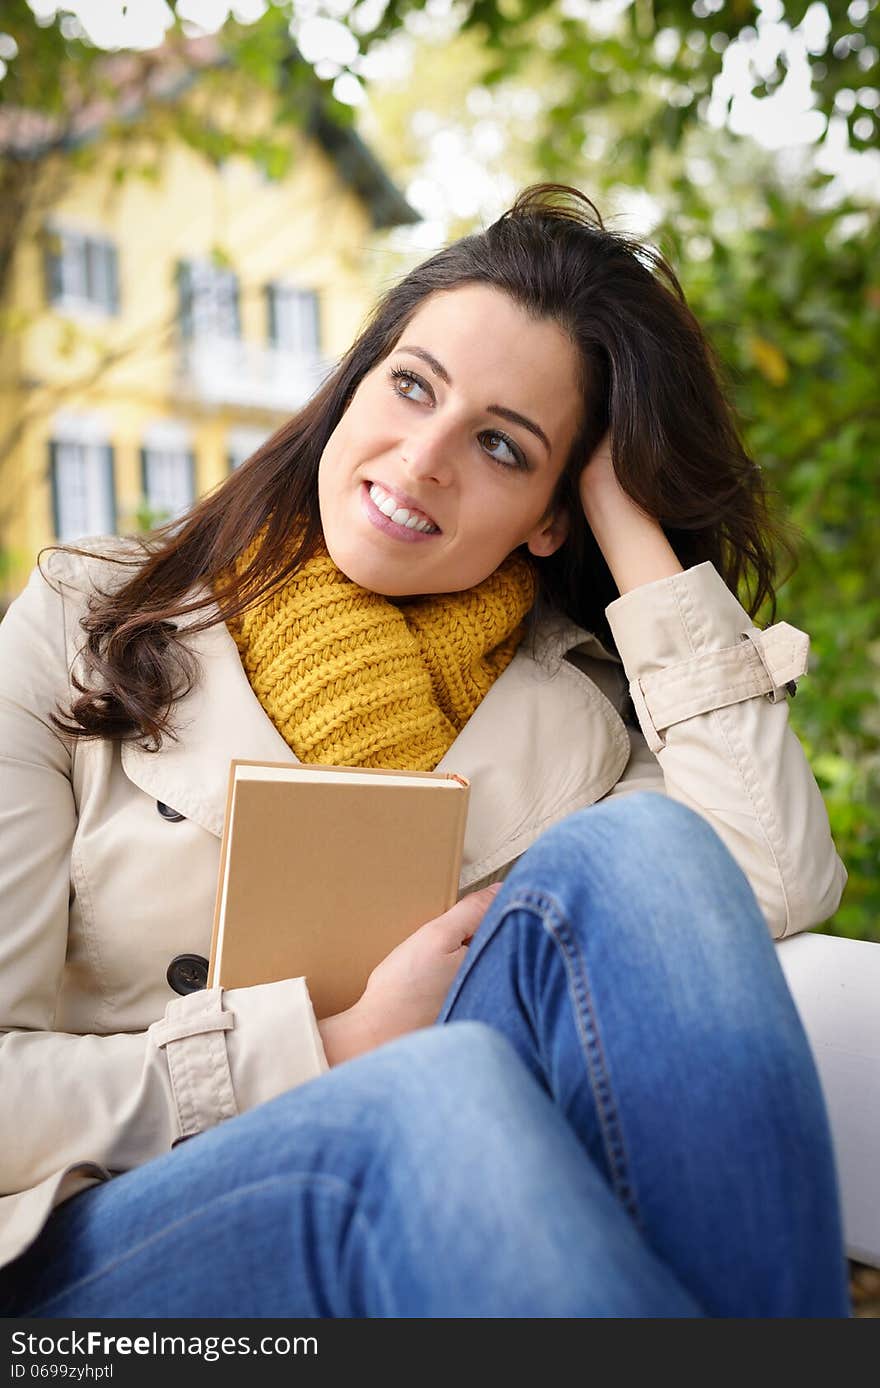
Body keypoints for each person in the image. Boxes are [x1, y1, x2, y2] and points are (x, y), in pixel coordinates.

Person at [0, 183, 850, 1318]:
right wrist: (334, 1045)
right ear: (355, 380)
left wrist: (624, 510)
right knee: (431, 1083)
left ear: (553, 513)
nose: (424, 456)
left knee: (644, 843)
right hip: (103, 1246)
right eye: (412, 384)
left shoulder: (581, 710)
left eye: (503, 445)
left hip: (457, 1215)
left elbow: (770, 874)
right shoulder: (88, 614)